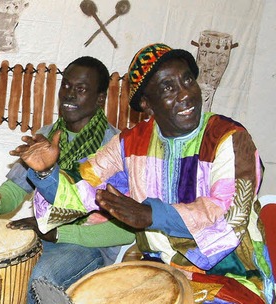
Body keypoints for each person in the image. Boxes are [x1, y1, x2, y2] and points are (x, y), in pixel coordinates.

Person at [17, 43, 272, 303]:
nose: (186, 94)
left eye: (187, 81)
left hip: (232, 278)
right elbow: (82, 189)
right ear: (147, 105)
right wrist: (47, 172)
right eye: (168, 88)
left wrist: (152, 215)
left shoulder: (230, 138)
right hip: (161, 270)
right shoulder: (130, 145)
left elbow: (229, 215)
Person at [0, 56, 134, 303]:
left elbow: (126, 232)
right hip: (44, 237)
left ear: (100, 98)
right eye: (66, 86)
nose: (69, 95)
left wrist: (60, 233)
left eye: (81, 89)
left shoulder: (117, 148)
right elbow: (15, 189)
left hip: (88, 247)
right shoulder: (46, 136)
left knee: (39, 277)